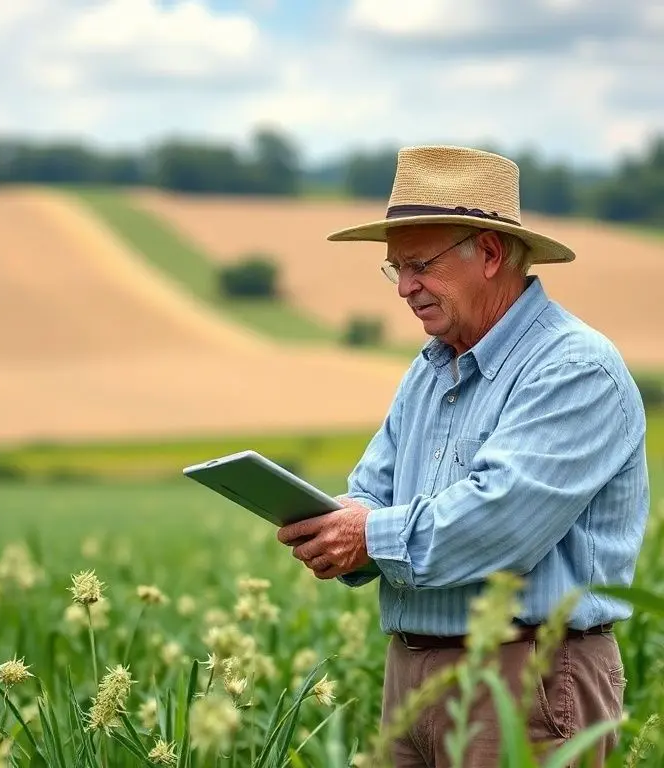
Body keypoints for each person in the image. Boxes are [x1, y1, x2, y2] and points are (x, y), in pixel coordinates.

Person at [276, 146, 649, 767]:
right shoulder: (429, 371)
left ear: (491, 254)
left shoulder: (573, 369)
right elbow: (374, 487)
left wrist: (368, 535)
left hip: (525, 676)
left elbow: (499, 522)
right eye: (394, 268)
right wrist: (336, 522)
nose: (404, 288)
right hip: (412, 674)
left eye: (419, 264)